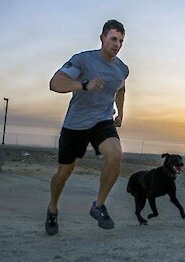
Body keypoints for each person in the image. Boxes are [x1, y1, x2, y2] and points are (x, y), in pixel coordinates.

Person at [45, 19, 129, 236]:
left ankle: (99, 205)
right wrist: (84, 85)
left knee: (116, 155)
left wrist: (120, 112)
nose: (117, 44)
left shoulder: (122, 69)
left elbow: (121, 88)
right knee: (64, 173)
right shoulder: (83, 60)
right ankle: (53, 208)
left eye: (121, 40)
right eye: (113, 39)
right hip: (76, 124)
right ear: (102, 38)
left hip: (102, 121)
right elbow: (55, 83)